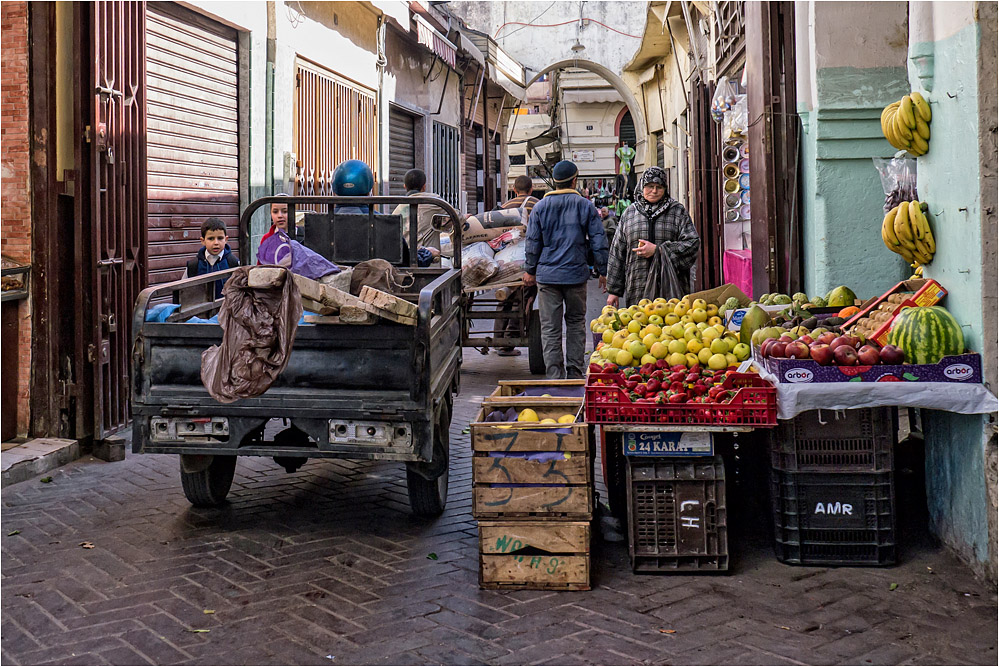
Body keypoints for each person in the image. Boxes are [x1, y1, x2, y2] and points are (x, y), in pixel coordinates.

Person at [523, 161, 608, 379]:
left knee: (550, 328)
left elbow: (532, 243)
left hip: (547, 277)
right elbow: (598, 240)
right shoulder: (585, 205)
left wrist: (530, 270)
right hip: (575, 275)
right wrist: (603, 270)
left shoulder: (540, 207)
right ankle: (575, 372)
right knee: (575, 324)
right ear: (574, 180)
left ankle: (554, 376)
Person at [606, 166, 700, 307]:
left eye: (659, 187)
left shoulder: (677, 211)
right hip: (638, 287)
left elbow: (692, 243)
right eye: (650, 186)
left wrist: (659, 251)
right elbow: (618, 252)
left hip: (671, 289)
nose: (654, 191)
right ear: (642, 186)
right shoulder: (629, 214)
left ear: (665, 189)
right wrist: (614, 290)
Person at [493, 175, 540, 357]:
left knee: (504, 298)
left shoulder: (504, 207)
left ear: (514, 190)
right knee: (524, 298)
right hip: (527, 262)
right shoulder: (537, 205)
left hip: (506, 262)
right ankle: (509, 341)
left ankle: (498, 339)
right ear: (531, 189)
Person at [392, 168, 449, 267]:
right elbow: (457, 217)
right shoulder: (434, 202)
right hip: (429, 267)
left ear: (405, 187)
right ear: (424, 187)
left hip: (404, 267)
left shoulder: (397, 210)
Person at [185, 217, 239, 298]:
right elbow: (183, 291)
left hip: (227, 309)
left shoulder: (234, 263)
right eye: (211, 239)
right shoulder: (193, 265)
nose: (216, 243)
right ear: (203, 241)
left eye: (220, 238)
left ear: (226, 239)